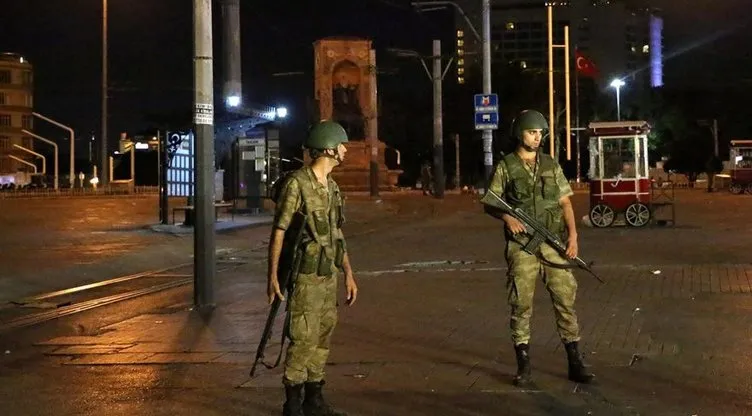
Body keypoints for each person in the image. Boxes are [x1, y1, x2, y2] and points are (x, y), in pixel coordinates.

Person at [482, 109, 594, 387]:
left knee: (566, 299)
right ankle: (524, 365)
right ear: (520, 134)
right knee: (521, 303)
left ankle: (575, 361)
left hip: (552, 242)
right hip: (522, 247)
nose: (537, 137)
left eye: (540, 133)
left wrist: (573, 237)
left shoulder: (550, 165)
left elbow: (565, 202)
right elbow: (491, 201)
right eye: (532, 132)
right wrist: (508, 218)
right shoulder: (507, 166)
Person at [267, 120, 359, 416]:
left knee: (322, 335)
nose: (345, 149)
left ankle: (314, 400)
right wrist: (272, 276)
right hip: (305, 276)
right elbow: (279, 230)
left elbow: (337, 233)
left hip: (327, 274)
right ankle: (292, 404)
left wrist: (348, 272)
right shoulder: (298, 183)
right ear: (329, 149)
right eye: (342, 145)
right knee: (302, 337)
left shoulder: (332, 187)